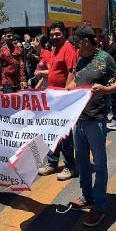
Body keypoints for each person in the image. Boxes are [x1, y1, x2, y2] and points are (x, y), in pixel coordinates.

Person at [65, 24, 116, 227]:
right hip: (79, 121)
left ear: (86, 41)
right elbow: (74, 83)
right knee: (82, 162)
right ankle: (87, 196)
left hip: (96, 121)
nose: (75, 47)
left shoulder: (104, 58)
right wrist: (61, 93)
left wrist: (106, 90)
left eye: (77, 43)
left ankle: (99, 206)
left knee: (99, 166)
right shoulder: (80, 59)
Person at [39, 22, 79, 180]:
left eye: (58, 34)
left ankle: (70, 166)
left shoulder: (68, 48)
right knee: (52, 132)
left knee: (65, 135)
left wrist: (65, 94)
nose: (55, 37)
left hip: (63, 100)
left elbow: (72, 71)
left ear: (64, 33)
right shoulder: (55, 49)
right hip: (53, 99)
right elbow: (55, 71)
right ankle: (52, 162)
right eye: (53, 34)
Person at [99, 31, 116, 127]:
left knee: (113, 97)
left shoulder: (115, 47)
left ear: (107, 38)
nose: (101, 42)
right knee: (104, 97)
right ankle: (105, 116)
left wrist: (115, 76)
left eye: (102, 40)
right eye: (100, 40)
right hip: (104, 76)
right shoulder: (103, 48)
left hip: (113, 76)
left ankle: (115, 117)